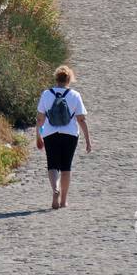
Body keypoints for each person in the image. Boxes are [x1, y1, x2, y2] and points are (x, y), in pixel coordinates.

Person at [36, 65, 91, 209]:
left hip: (50, 133)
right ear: (69, 79)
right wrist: (88, 140)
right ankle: (63, 200)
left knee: (52, 165)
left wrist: (38, 135)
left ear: (56, 78)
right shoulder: (75, 95)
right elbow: (81, 119)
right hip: (70, 135)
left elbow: (40, 118)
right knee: (66, 167)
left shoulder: (46, 94)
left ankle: (55, 189)